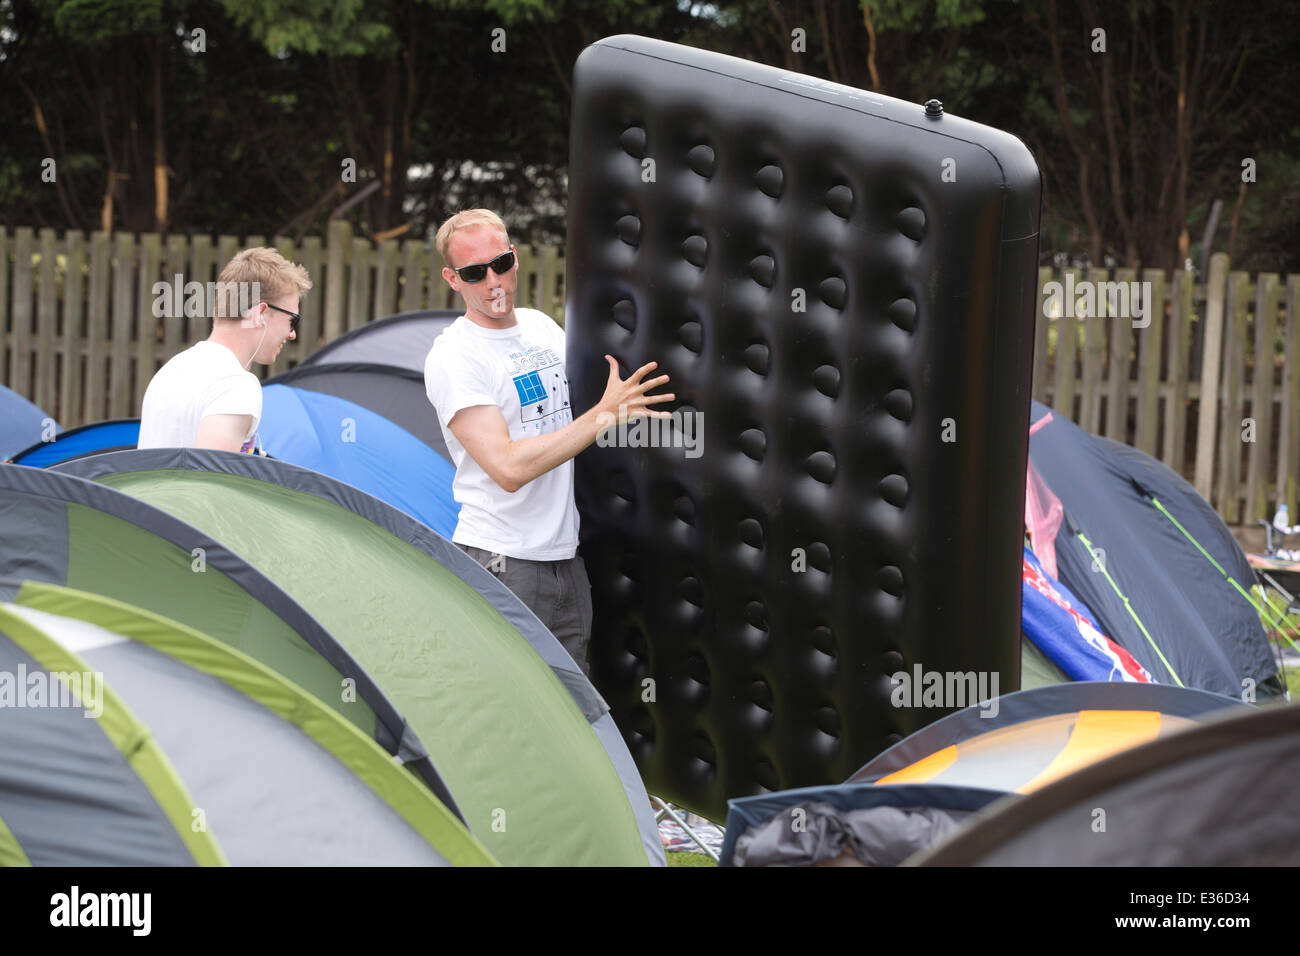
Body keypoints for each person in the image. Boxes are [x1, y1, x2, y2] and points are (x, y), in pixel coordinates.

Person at [424, 209, 671, 673]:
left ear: (515, 258)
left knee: (570, 709)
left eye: (500, 264)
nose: (492, 281)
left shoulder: (541, 327)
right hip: (502, 560)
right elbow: (508, 469)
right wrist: (603, 416)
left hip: (565, 557)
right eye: (475, 273)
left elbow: (582, 415)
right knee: (507, 706)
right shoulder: (455, 358)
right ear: (453, 279)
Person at [138, 247, 311, 452]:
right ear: (261, 313)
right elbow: (214, 481)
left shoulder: (172, 370)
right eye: (292, 320)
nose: (292, 334)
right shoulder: (235, 385)